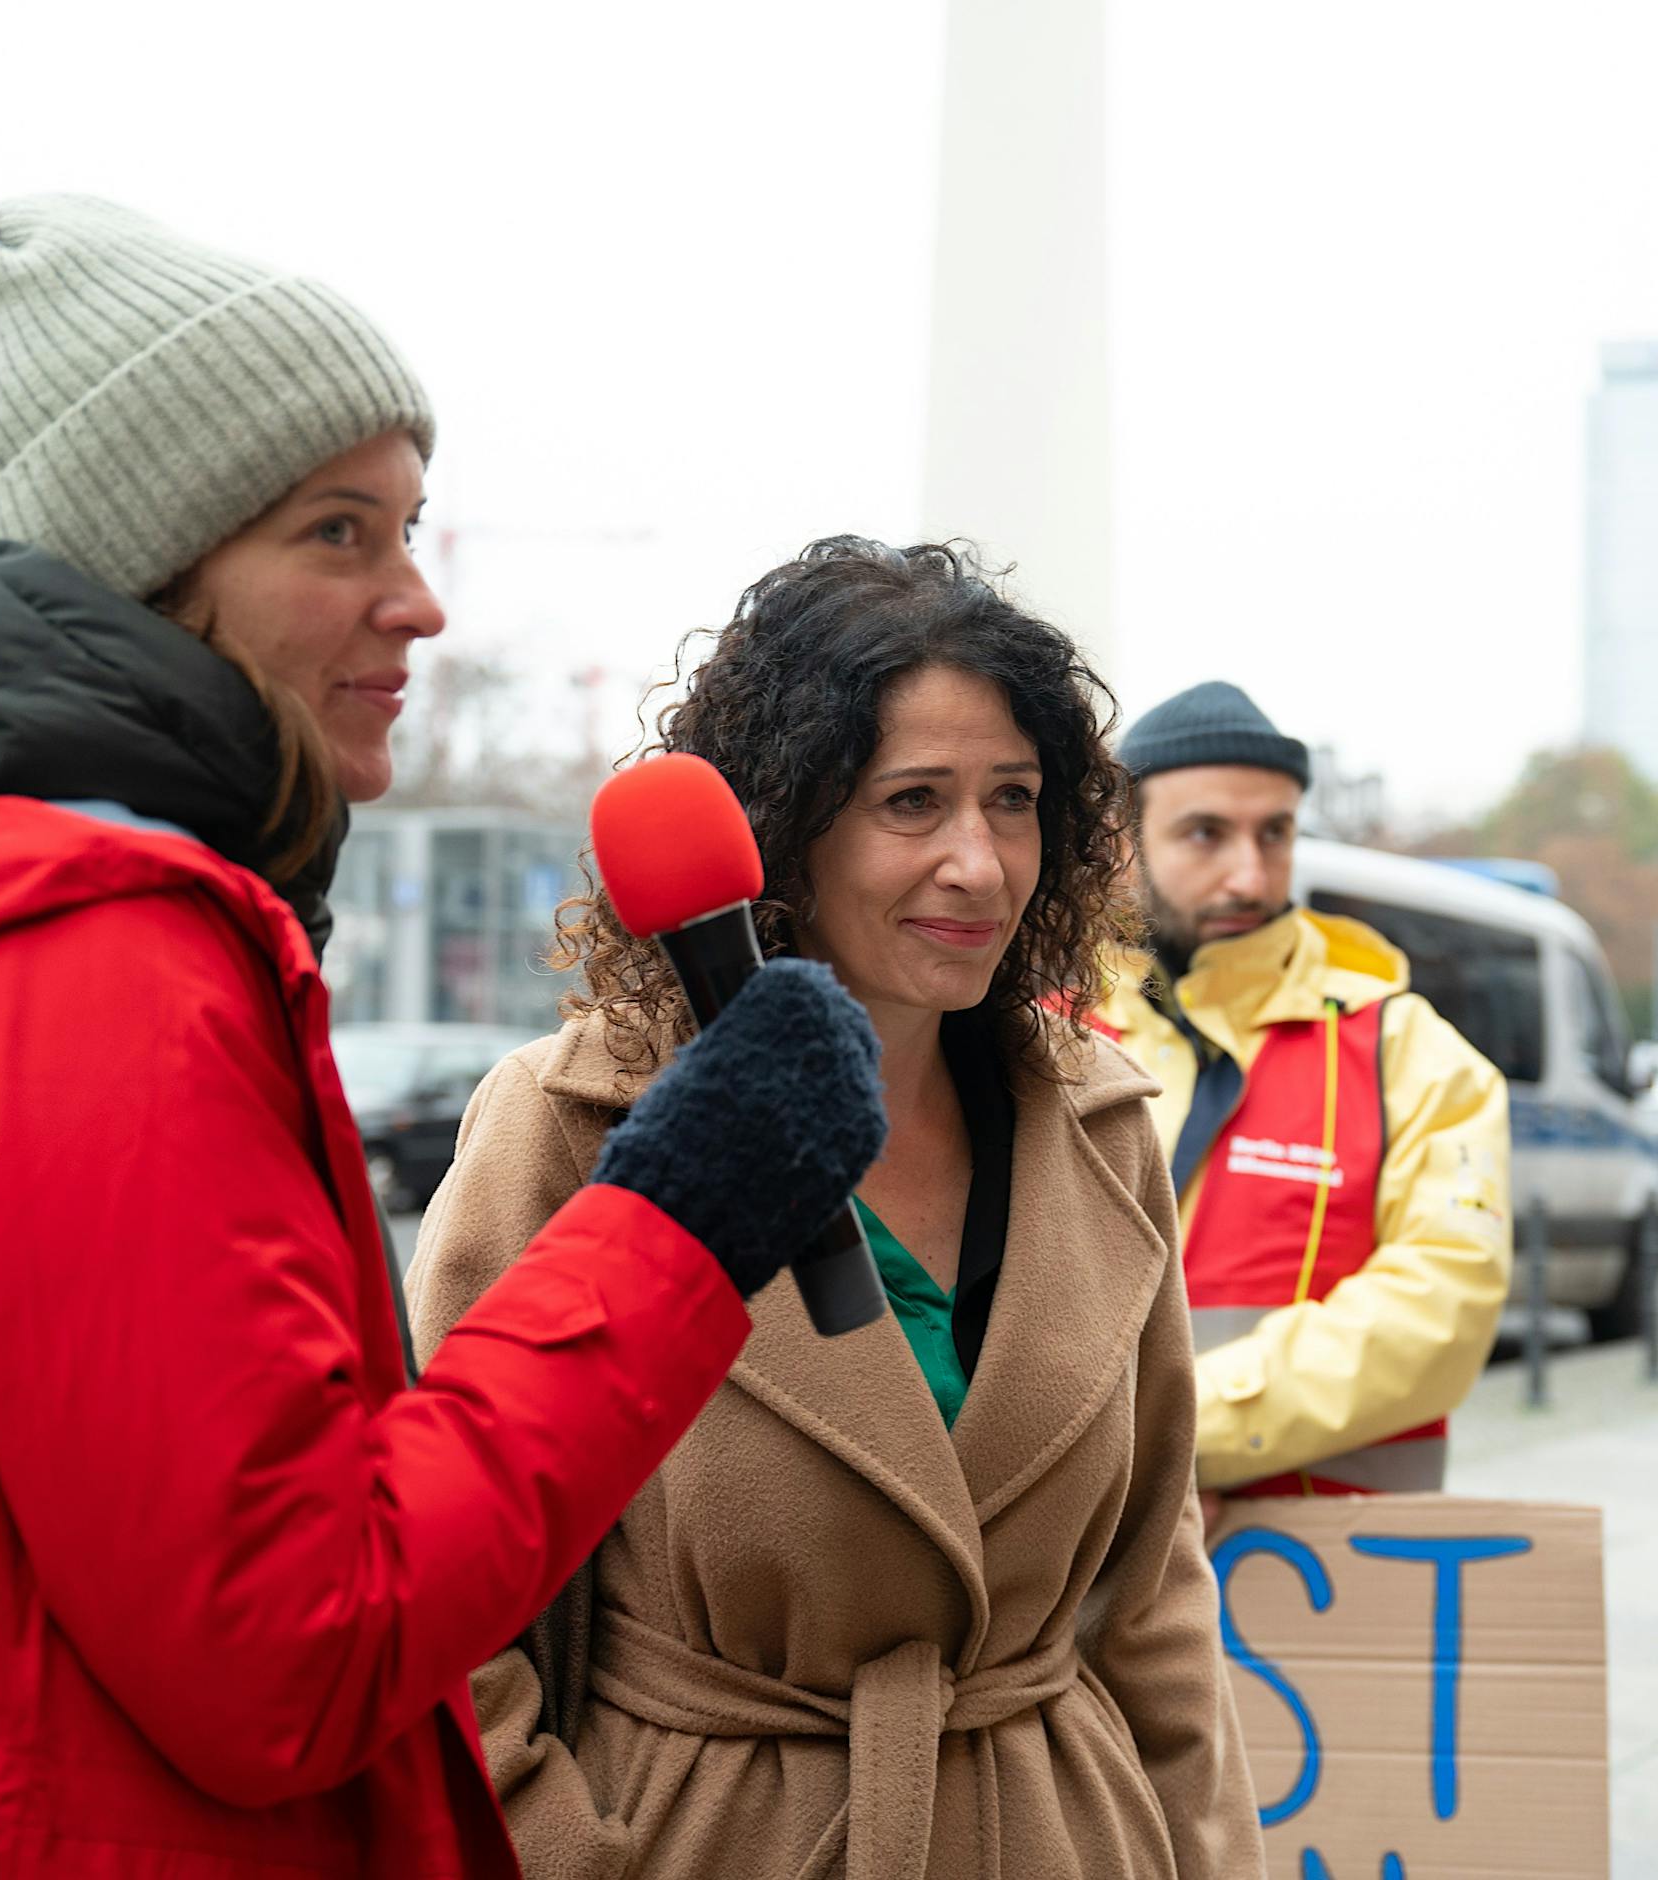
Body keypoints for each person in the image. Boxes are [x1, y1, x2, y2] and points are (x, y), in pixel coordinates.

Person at [0, 196, 889, 1876]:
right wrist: (674, 1226)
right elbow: (288, 1648)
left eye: (411, 527)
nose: (420, 603)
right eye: (337, 534)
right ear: (155, 566)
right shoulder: (83, 959)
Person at [406, 538, 1265, 1880]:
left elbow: (1155, 1595)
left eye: (1015, 800)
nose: (979, 864)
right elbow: (448, 1608)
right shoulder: (574, 1124)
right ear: (782, 827)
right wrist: (563, 1857)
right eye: (912, 802)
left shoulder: (1098, 1124)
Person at [1098, 681, 1511, 1514]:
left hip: (1334, 1593)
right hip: (1070, 1590)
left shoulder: (1409, 1052)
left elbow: (1441, 1309)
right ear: (1121, 845)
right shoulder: (1046, 1040)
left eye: (1274, 834)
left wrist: (1175, 1444)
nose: (1250, 875)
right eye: (1206, 834)